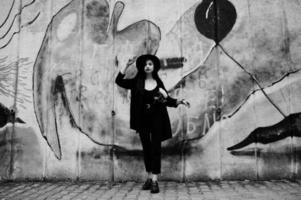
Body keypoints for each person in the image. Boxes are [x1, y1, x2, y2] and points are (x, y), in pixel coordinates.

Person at [115, 54, 190, 193]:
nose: (147, 66)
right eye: (145, 64)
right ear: (142, 67)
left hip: (157, 119)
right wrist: (125, 66)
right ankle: (149, 177)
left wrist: (179, 101)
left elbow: (166, 99)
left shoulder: (158, 83)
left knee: (156, 148)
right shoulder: (136, 82)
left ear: (154, 66)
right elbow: (119, 81)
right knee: (147, 149)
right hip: (142, 120)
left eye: (150, 64)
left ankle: (155, 180)